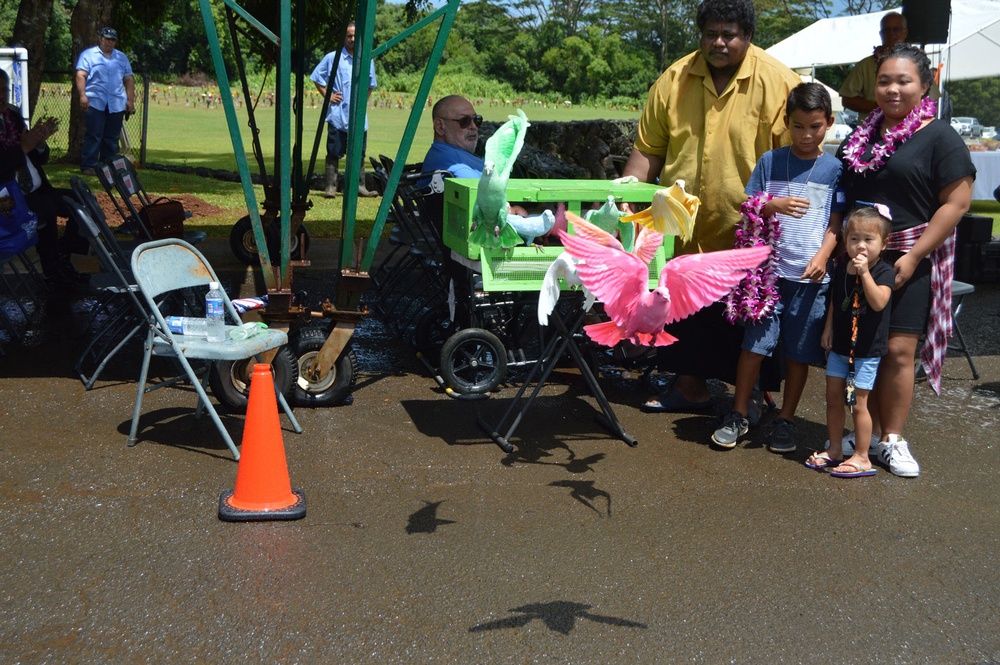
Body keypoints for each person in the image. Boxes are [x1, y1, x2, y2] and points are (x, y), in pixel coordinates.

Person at [622, 0, 802, 413]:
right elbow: (647, 152)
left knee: (751, 315)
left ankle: (752, 395)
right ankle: (690, 386)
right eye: (710, 34)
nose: (719, 43)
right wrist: (626, 210)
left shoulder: (779, 83)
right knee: (688, 310)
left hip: (750, 230)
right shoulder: (674, 79)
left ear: (749, 36)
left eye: (730, 35)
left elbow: (799, 160)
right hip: (684, 228)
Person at [836, 44, 975, 477]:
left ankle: (893, 438)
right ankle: (869, 435)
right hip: (860, 258)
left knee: (897, 351)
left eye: (903, 81)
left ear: (925, 83)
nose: (892, 89)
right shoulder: (863, 134)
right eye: (884, 81)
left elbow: (957, 203)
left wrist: (914, 257)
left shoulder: (940, 136)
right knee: (864, 348)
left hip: (909, 255)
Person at [711, 83, 846, 452]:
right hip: (766, 278)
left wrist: (822, 257)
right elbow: (749, 207)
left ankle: (786, 419)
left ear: (829, 123)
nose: (806, 135)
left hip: (809, 279)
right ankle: (738, 412)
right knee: (754, 345)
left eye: (815, 127)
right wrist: (773, 205)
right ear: (786, 122)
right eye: (798, 126)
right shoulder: (770, 161)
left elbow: (836, 222)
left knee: (799, 353)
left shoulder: (835, 168)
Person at [806, 206, 894, 477]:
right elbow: (836, 301)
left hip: (865, 352)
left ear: (884, 243)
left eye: (869, 240)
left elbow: (879, 302)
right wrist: (828, 328)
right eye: (854, 239)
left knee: (858, 403)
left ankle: (862, 456)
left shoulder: (883, 271)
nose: (861, 246)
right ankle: (834, 448)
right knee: (833, 397)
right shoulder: (840, 266)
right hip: (840, 347)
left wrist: (865, 273)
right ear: (845, 240)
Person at [0, 69, 88, 287]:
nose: (1, 96)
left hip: (37, 189)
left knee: (81, 200)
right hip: (9, 198)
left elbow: (41, 157)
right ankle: (53, 273)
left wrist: (38, 144)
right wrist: (23, 147)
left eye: (4, 90)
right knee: (45, 208)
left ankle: (65, 257)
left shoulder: (12, 116)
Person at [310, 21, 378, 198]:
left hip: (358, 118)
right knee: (334, 152)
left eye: (355, 36)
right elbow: (317, 77)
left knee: (359, 154)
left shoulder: (366, 59)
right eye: (349, 36)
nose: (352, 39)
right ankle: (330, 187)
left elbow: (371, 84)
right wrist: (328, 96)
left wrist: (363, 101)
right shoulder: (333, 58)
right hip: (338, 115)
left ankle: (359, 186)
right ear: (344, 37)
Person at [839, 12, 939, 124]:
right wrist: (881, 106)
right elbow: (847, 99)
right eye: (887, 30)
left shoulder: (917, 64)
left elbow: (932, 99)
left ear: (905, 32)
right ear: (881, 34)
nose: (891, 34)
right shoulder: (865, 65)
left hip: (913, 129)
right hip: (872, 132)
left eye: (896, 29)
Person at [75, 27, 135, 174]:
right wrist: (82, 95)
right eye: (107, 38)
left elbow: (129, 79)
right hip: (95, 101)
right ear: (100, 38)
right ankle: (89, 166)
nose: (109, 42)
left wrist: (130, 100)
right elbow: (81, 75)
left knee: (111, 138)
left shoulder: (121, 57)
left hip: (116, 103)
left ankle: (107, 168)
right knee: (94, 135)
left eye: (112, 40)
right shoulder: (88, 55)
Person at [421, 95, 485, 178]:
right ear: (440, 127)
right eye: (464, 121)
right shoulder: (455, 165)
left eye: (476, 119)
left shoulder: (447, 152)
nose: (474, 126)